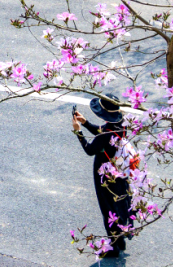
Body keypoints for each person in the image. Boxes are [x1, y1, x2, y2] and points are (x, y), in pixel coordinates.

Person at [72, 93, 133, 259]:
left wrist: (78, 132)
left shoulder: (107, 132)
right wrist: (86, 123)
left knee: (108, 209)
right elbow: (102, 133)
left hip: (105, 173)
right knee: (116, 203)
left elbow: (90, 150)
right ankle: (119, 240)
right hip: (118, 169)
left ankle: (113, 247)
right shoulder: (120, 124)